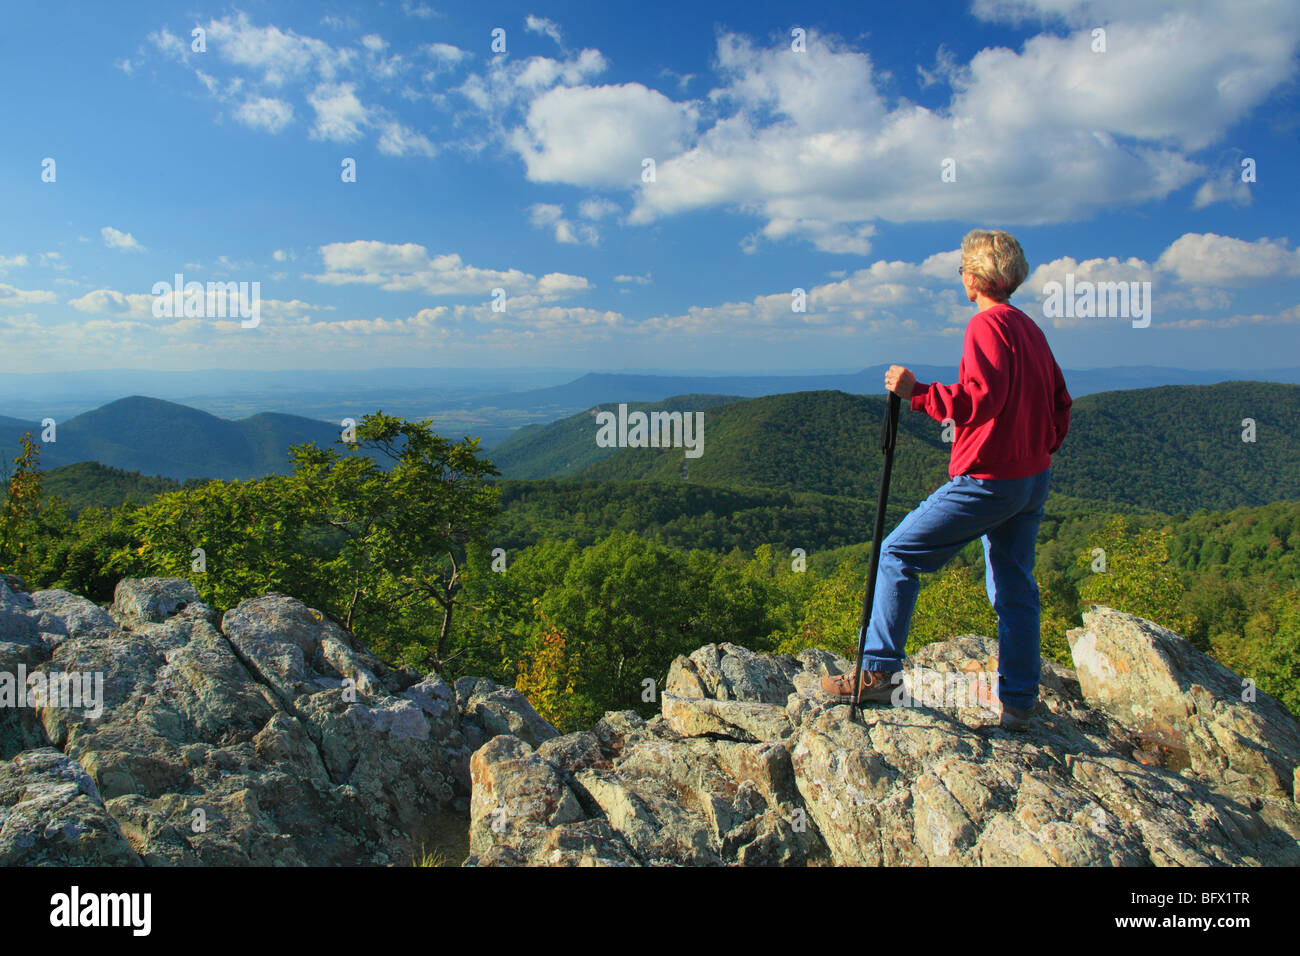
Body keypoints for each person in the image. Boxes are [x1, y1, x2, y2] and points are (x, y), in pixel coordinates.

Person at [821, 229, 1072, 731]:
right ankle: (1020, 702)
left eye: (962, 269)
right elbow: (1061, 405)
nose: (960, 276)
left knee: (897, 553)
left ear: (975, 277)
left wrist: (917, 393)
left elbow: (978, 400)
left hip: (989, 479)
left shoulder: (986, 327)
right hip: (1031, 477)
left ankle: (878, 674)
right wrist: (1035, 450)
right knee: (1016, 588)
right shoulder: (1030, 329)